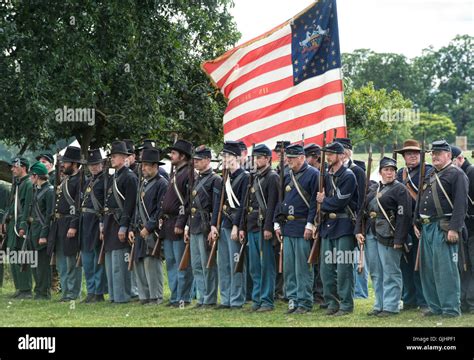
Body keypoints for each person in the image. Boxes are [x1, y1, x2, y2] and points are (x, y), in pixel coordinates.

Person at [415, 140, 468, 317]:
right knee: (428, 269)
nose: (435, 155)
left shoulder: (457, 174)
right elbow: (421, 199)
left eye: (439, 152)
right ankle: (435, 307)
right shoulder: (430, 173)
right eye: (433, 153)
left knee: (446, 270)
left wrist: (454, 228)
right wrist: (417, 222)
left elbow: (461, 205)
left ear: (448, 155)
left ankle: (450, 309)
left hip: (443, 227)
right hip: (427, 227)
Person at [355, 157, 412, 316]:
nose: (389, 173)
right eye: (386, 170)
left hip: (390, 234)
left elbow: (404, 216)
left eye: (392, 170)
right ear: (380, 172)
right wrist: (358, 230)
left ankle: (391, 306)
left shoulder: (400, 189)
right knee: (375, 271)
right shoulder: (374, 188)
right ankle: (379, 305)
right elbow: (362, 211)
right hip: (371, 233)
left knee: (390, 271)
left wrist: (399, 239)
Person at [274, 144, 318, 314]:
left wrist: (310, 224)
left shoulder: (313, 174)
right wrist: (277, 222)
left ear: (301, 157)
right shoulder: (286, 174)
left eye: (292, 158)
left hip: (303, 226)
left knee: (303, 268)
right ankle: (293, 301)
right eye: (288, 158)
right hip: (288, 226)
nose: (288, 161)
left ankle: (305, 303)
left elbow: (315, 202)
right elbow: (280, 199)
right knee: (290, 268)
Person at [317, 142, 358, 316]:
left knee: (343, 269)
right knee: (326, 269)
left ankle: (346, 304)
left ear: (342, 156)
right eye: (328, 154)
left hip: (344, 226)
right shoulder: (326, 175)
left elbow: (341, 200)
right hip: (328, 227)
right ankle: (332, 302)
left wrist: (323, 201)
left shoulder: (348, 176)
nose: (329, 157)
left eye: (332, 154)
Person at [210, 141, 249, 310]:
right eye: (223, 156)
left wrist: (236, 226)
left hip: (234, 224)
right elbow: (217, 203)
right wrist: (213, 225)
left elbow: (243, 205)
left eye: (227, 156)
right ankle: (225, 299)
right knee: (223, 263)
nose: (224, 159)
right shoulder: (223, 178)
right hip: (223, 223)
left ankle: (237, 299)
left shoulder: (245, 177)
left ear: (236, 157)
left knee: (236, 263)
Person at [239, 144, 279, 312]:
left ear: (268, 159)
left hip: (264, 227)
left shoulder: (272, 177)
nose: (255, 161)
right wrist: (241, 227)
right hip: (251, 225)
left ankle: (267, 301)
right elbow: (245, 204)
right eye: (254, 158)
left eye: (259, 157)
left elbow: (272, 205)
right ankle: (256, 300)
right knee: (255, 266)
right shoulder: (252, 177)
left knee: (266, 265)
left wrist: (269, 227)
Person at [395, 139, 431, 311]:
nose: (413, 156)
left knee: (421, 264)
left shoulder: (429, 171)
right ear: (404, 157)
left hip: (420, 224)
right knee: (405, 263)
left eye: (416, 153)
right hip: (403, 224)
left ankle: (424, 301)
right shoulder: (400, 173)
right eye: (409, 154)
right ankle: (409, 299)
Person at [129, 148, 168, 305]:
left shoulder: (162, 184)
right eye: (142, 165)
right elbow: (137, 208)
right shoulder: (142, 183)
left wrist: (149, 226)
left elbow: (160, 209)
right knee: (139, 262)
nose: (143, 168)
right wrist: (133, 228)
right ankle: (144, 296)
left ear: (155, 166)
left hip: (152, 231)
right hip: (139, 229)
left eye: (146, 165)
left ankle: (156, 296)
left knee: (151, 263)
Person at [186, 145, 221, 309]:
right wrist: (187, 226)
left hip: (205, 225)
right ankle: (201, 297)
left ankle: (210, 298)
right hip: (194, 224)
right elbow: (190, 205)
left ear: (208, 160)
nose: (196, 162)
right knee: (197, 265)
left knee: (208, 264)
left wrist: (214, 226)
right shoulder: (197, 178)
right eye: (195, 160)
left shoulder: (215, 179)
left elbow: (216, 206)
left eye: (199, 160)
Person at [103, 141, 138, 304]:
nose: (112, 159)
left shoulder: (130, 177)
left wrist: (124, 226)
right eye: (112, 156)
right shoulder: (114, 176)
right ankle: (114, 295)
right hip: (110, 223)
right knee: (110, 262)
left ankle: (122, 295)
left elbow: (130, 204)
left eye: (115, 156)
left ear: (124, 158)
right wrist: (103, 224)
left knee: (119, 264)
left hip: (119, 223)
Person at [161, 140, 194, 307]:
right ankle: (175, 296)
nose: (171, 156)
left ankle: (183, 297)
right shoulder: (175, 173)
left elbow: (187, 202)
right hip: (168, 224)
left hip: (177, 223)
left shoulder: (188, 173)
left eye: (174, 153)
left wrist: (181, 222)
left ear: (182, 156)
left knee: (182, 264)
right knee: (172, 264)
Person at [47, 146, 83, 301]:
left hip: (69, 224)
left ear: (74, 164)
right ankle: (65, 292)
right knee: (61, 262)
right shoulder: (66, 180)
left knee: (71, 262)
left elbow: (77, 205)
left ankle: (73, 293)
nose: (63, 165)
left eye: (67, 163)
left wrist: (73, 225)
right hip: (59, 225)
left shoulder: (80, 180)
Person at [79, 149, 107, 303]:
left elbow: (106, 204)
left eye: (96, 164)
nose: (94, 167)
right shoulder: (88, 181)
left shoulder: (105, 180)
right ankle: (90, 291)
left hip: (97, 222)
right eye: (91, 165)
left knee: (98, 259)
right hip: (85, 222)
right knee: (87, 260)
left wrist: (102, 223)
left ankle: (98, 292)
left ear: (102, 164)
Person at [4, 157, 33, 299]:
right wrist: (5, 221)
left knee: (22, 255)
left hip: (21, 224)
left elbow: (27, 206)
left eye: (15, 166)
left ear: (24, 167)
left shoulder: (28, 184)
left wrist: (22, 225)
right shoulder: (17, 183)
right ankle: (19, 288)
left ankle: (26, 288)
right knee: (12, 253)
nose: (12, 169)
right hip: (12, 224)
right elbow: (11, 205)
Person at [451, 146, 474, 314]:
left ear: (459, 158)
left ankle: (470, 302)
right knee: (464, 266)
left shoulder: (470, 173)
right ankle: (465, 301)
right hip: (466, 228)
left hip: (471, 228)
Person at [28, 161, 54, 300]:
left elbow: (49, 215)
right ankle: (38, 290)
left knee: (43, 264)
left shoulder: (49, 191)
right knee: (35, 263)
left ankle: (44, 292)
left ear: (36, 176)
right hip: (34, 231)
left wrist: (44, 235)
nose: (30, 178)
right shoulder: (37, 190)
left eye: (32, 175)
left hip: (42, 233)